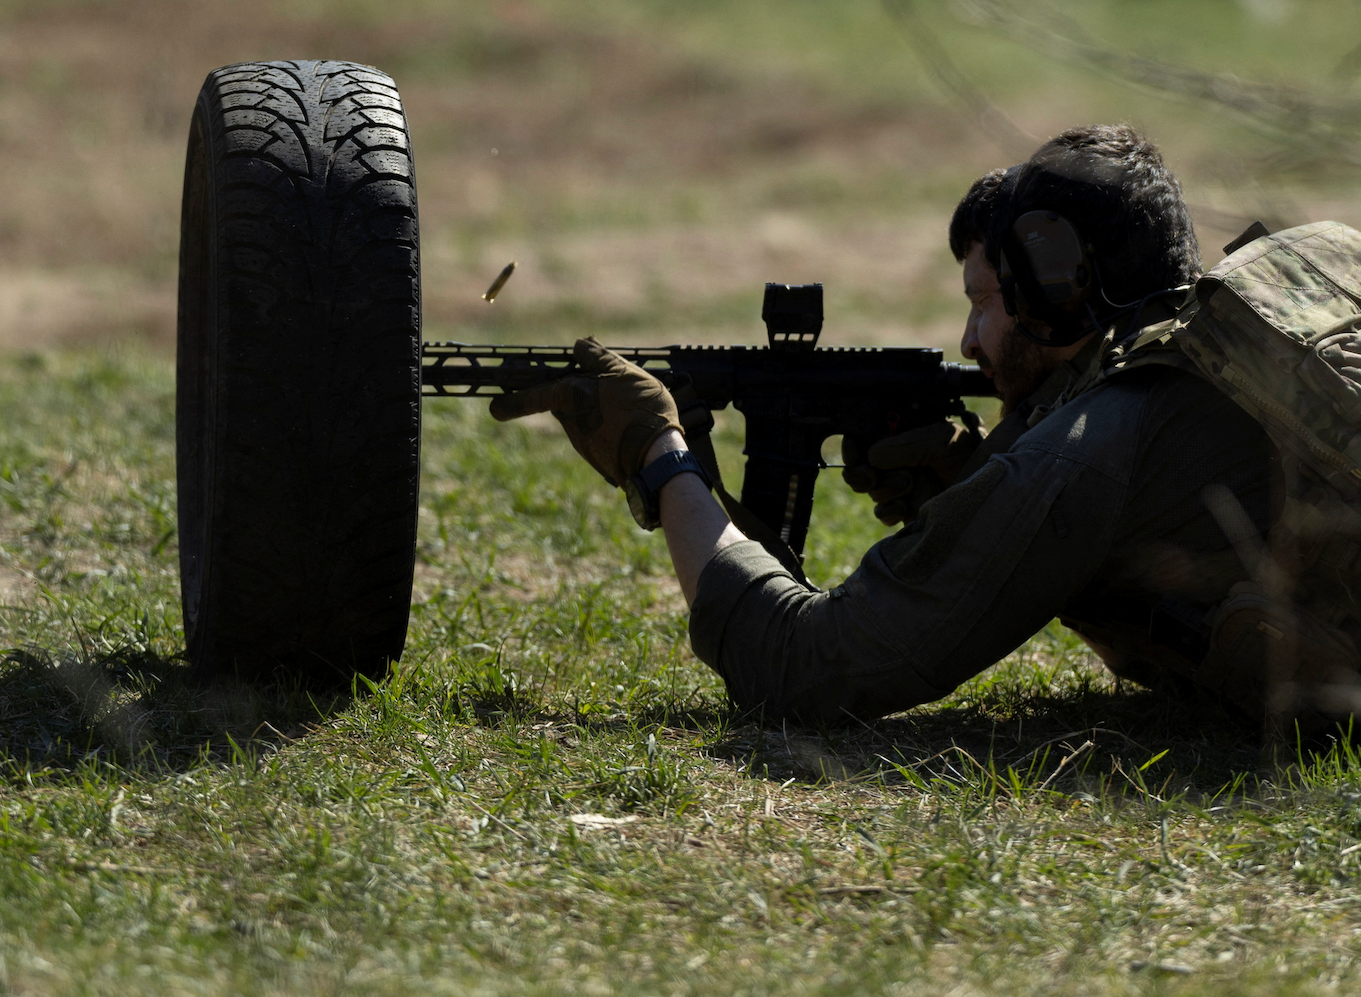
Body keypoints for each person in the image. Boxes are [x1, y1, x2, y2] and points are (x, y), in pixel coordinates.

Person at [493, 124, 1283, 719]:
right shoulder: (1226, 359)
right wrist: (978, 488)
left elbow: (803, 667)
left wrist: (660, 455)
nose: (970, 343)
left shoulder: (1093, 445)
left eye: (984, 300)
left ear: (1053, 288)